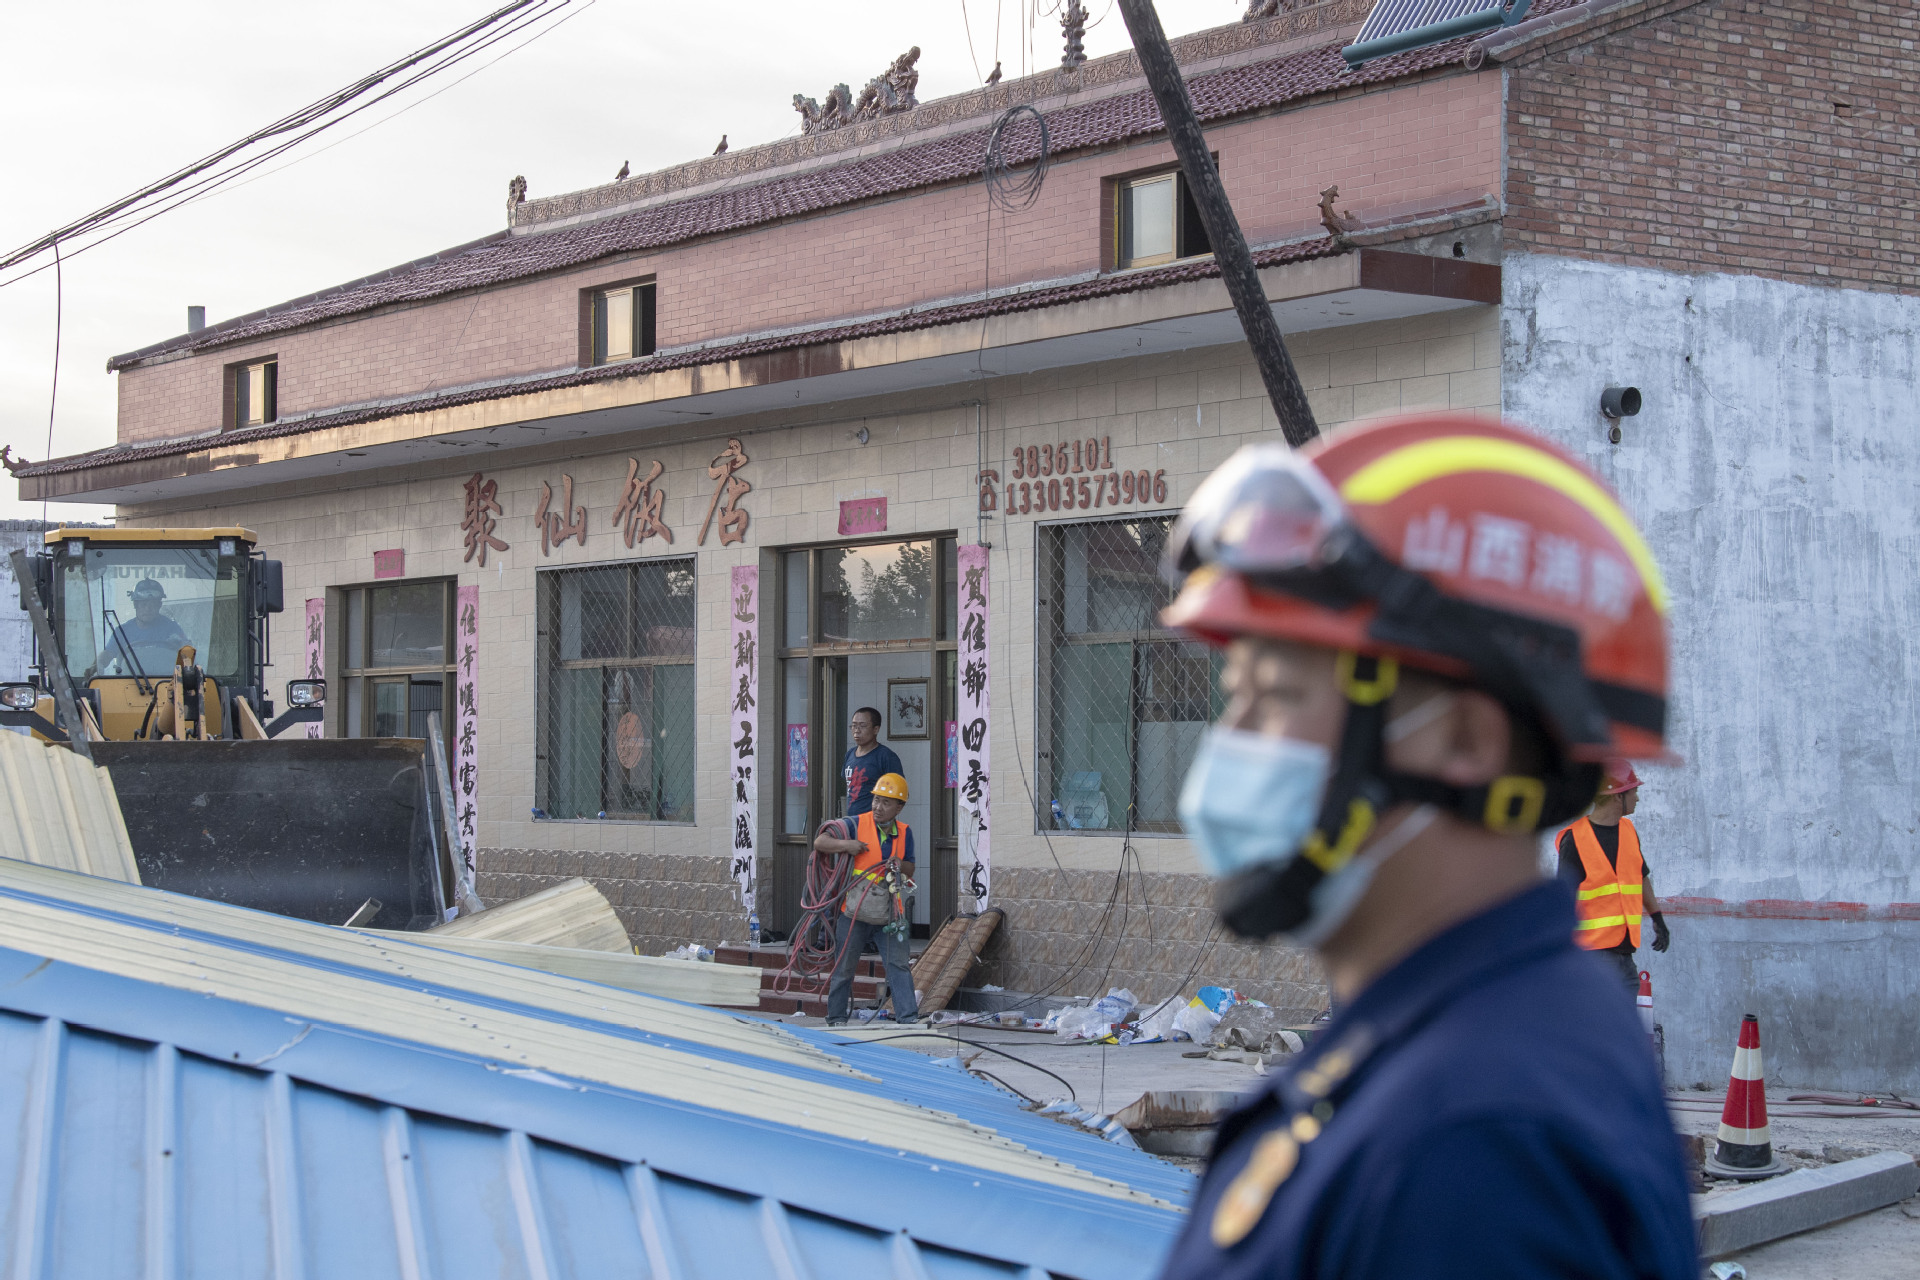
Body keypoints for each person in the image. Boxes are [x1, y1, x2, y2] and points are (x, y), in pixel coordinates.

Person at [1155, 414, 1697, 1279]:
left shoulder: (1473, 1147)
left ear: (1467, 742)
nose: (1235, 742)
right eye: (1235, 696)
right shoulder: (1443, 1059)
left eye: (1278, 694)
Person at [815, 771, 918, 1026]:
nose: (878, 807)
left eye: (886, 802)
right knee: (844, 967)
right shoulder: (855, 824)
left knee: (898, 965)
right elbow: (820, 841)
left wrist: (899, 864)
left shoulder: (905, 833)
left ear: (899, 807)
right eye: (876, 800)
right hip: (853, 912)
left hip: (889, 912)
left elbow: (911, 868)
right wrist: (846, 846)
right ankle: (836, 1017)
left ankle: (908, 1018)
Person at [1558, 758, 1670, 990]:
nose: (1637, 798)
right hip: (1593, 955)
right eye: (1634, 791)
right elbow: (1563, 900)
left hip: (1624, 953)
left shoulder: (1628, 831)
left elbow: (1640, 876)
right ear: (1618, 795)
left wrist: (1657, 917)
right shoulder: (1575, 840)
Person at [107, 578, 191, 675]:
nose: (148, 609)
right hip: (129, 684)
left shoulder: (172, 628)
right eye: (144, 604)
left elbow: (186, 650)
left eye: (153, 604)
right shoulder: (122, 631)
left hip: (166, 683)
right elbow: (108, 653)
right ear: (135, 605)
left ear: (159, 605)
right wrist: (96, 665)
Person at [841, 706, 903, 818]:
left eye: (862, 726)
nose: (857, 730)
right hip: (852, 822)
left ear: (876, 729)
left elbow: (900, 794)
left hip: (875, 823)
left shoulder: (886, 756)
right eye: (854, 726)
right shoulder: (849, 754)